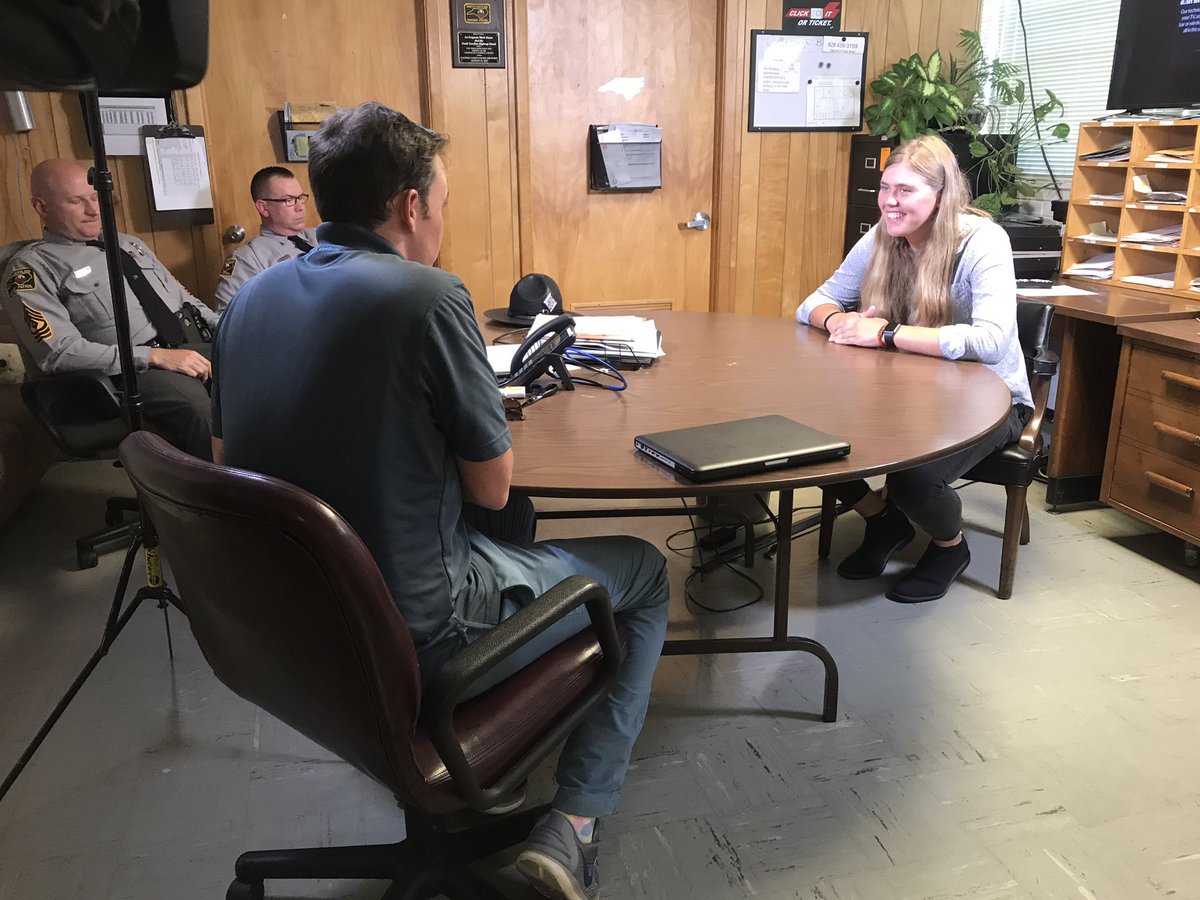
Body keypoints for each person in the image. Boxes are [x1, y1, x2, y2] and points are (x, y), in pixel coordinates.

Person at [210, 102, 669, 899]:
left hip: (290, 624)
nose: (443, 223)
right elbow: (489, 484)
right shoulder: (427, 297)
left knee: (516, 530)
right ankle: (579, 823)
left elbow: (228, 467)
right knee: (642, 572)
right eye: (446, 205)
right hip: (418, 629)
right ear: (412, 205)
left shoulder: (249, 301)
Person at [796, 134, 1032, 604]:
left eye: (905, 190)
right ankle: (884, 522)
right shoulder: (886, 232)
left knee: (914, 479)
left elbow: (990, 342)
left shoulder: (982, 242)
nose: (890, 201)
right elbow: (812, 303)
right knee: (808, 441)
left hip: (991, 402)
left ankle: (950, 548)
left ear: (942, 195)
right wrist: (839, 319)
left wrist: (884, 333)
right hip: (906, 393)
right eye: (886, 188)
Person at [1, 159, 217, 460]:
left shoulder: (129, 245)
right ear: (42, 207)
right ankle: (214, 502)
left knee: (268, 369)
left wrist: (232, 327)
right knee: (202, 410)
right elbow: (58, 353)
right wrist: (154, 356)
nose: (93, 210)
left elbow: (184, 300)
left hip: (184, 345)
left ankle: (278, 483)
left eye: (95, 198)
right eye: (77, 201)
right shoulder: (30, 269)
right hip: (125, 373)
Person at [213, 165, 319, 314]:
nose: (300, 207)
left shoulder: (320, 236)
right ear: (263, 208)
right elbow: (227, 317)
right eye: (289, 200)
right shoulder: (249, 259)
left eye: (301, 198)